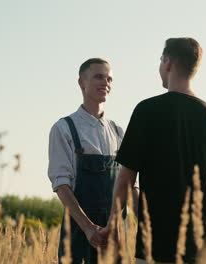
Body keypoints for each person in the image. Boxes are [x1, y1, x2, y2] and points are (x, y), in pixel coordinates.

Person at [101, 38, 206, 264]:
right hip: (205, 249)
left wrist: (113, 225)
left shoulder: (147, 110)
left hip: (158, 246)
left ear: (168, 62)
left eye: (161, 60)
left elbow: (125, 179)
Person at [48, 58, 139, 264]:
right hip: (80, 236)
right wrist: (89, 229)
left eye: (109, 79)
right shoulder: (64, 129)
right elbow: (61, 185)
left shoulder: (118, 132)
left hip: (116, 236)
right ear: (81, 82)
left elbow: (131, 186)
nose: (106, 83)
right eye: (99, 76)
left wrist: (148, 225)